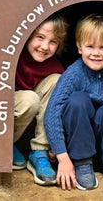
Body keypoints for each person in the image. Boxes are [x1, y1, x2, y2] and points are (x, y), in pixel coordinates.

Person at [44, 14, 103, 191]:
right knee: (77, 100)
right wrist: (63, 158)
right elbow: (52, 113)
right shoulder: (74, 73)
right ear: (79, 48)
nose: (96, 53)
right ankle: (83, 164)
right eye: (90, 46)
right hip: (79, 148)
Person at [12, 14, 68, 186]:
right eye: (40, 37)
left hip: (30, 131)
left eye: (53, 42)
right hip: (5, 125)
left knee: (58, 82)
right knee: (30, 99)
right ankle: (5, 144)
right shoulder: (12, 56)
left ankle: (39, 152)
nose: (45, 46)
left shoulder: (55, 67)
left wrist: (56, 143)